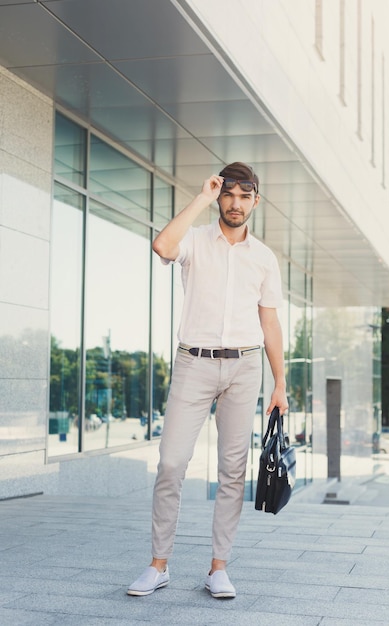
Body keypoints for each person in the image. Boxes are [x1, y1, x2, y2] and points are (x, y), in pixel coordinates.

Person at [128, 162, 288, 599]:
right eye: (228, 194)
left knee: (232, 471)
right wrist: (200, 196)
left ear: (256, 200)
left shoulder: (263, 257)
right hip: (194, 364)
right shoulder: (195, 241)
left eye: (244, 196)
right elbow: (162, 244)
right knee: (171, 464)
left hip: (244, 367)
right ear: (220, 197)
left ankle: (219, 568)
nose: (235, 204)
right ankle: (158, 565)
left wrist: (280, 383)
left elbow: (270, 322)